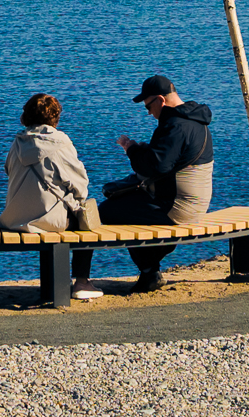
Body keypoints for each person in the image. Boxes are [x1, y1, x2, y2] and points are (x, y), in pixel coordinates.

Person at [86, 73, 212, 294]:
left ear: (161, 100)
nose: (149, 113)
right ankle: (151, 265)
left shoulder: (174, 125)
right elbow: (168, 160)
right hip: (195, 203)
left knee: (107, 211)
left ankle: (149, 268)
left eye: (148, 107)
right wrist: (144, 150)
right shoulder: (196, 121)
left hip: (178, 208)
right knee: (126, 204)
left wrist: (131, 149)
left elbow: (154, 167)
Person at [0, 94, 92, 233]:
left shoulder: (17, 143)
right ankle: (78, 256)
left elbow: (8, 171)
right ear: (55, 117)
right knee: (87, 227)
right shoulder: (60, 143)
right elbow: (80, 184)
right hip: (50, 220)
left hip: (13, 220)